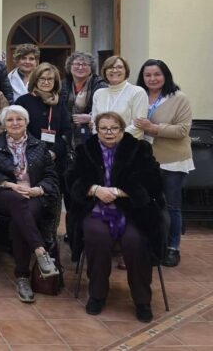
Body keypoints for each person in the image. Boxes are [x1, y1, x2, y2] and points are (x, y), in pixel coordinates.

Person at [68, 112, 165, 323]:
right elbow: (71, 180)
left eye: (114, 128)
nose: (109, 132)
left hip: (132, 209)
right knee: (97, 237)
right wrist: (94, 189)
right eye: (104, 128)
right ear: (97, 130)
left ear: (122, 130)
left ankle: (142, 300)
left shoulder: (140, 149)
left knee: (135, 241)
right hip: (95, 208)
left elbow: (154, 181)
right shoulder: (85, 150)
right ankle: (97, 295)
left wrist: (121, 191)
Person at [0, 105, 60, 304]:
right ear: (3, 124)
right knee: (17, 202)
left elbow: (52, 177)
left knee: (21, 217)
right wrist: (9, 184)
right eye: (10, 120)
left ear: (26, 122)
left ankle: (23, 276)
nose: (15, 123)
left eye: (19, 119)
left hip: (33, 196)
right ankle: (40, 251)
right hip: (3, 194)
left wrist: (38, 190)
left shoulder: (40, 147)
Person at [135, 60, 193, 267]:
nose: (152, 79)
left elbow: (182, 131)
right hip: (146, 161)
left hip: (172, 160)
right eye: (147, 75)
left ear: (165, 75)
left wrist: (154, 127)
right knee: (149, 203)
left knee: (171, 206)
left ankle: (172, 248)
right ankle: (153, 245)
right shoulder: (139, 95)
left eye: (156, 74)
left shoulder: (179, 98)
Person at [16, 63, 72, 168]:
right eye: (42, 79)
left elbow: (67, 130)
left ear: (55, 82)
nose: (46, 82)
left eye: (50, 79)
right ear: (35, 80)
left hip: (56, 159)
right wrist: (37, 152)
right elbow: (18, 129)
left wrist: (54, 152)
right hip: (29, 157)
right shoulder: (23, 101)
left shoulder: (60, 102)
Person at [92, 55, 148, 139]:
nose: (114, 70)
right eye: (110, 67)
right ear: (105, 71)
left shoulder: (137, 92)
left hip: (128, 145)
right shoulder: (98, 93)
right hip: (102, 146)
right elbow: (94, 123)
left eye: (119, 67)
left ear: (126, 71)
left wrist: (112, 138)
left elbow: (138, 126)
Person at [60, 51, 107, 147]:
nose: (80, 67)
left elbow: (107, 110)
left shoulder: (101, 86)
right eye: (77, 64)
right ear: (70, 66)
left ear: (91, 68)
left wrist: (91, 117)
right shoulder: (62, 85)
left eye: (85, 64)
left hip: (92, 133)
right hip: (67, 131)